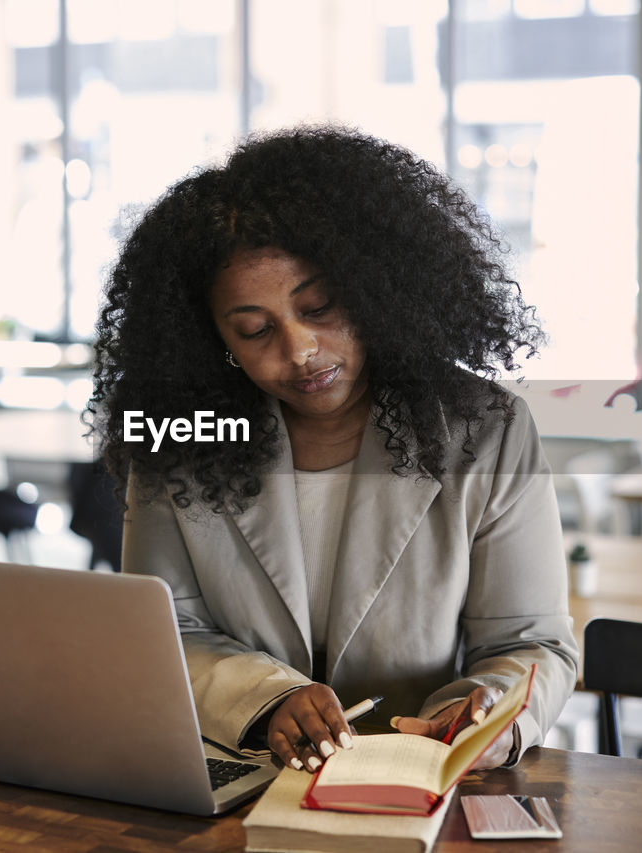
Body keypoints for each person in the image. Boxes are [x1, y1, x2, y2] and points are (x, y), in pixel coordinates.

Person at [90, 127, 578, 775]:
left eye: (319, 306)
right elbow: (164, 634)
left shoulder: (485, 429)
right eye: (255, 329)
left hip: (420, 778)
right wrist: (270, 700)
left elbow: (531, 642)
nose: (300, 351)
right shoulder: (181, 435)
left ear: (374, 287)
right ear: (214, 341)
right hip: (241, 775)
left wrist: (482, 711)